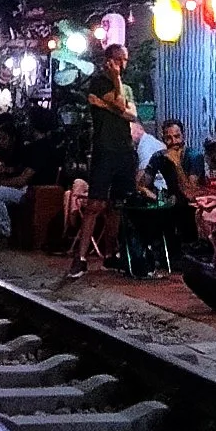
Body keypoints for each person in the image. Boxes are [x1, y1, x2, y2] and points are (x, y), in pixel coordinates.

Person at [71, 45, 139, 278]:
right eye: (118, 60)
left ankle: (110, 254)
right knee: (95, 205)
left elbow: (132, 114)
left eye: (125, 60)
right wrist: (116, 89)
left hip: (124, 150)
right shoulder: (99, 83)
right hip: (104, 149)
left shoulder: (125, 87)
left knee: (118, 204)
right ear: (108, 61)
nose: (122, 64)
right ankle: (79, 258)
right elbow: (122, 106)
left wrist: (110, 103)